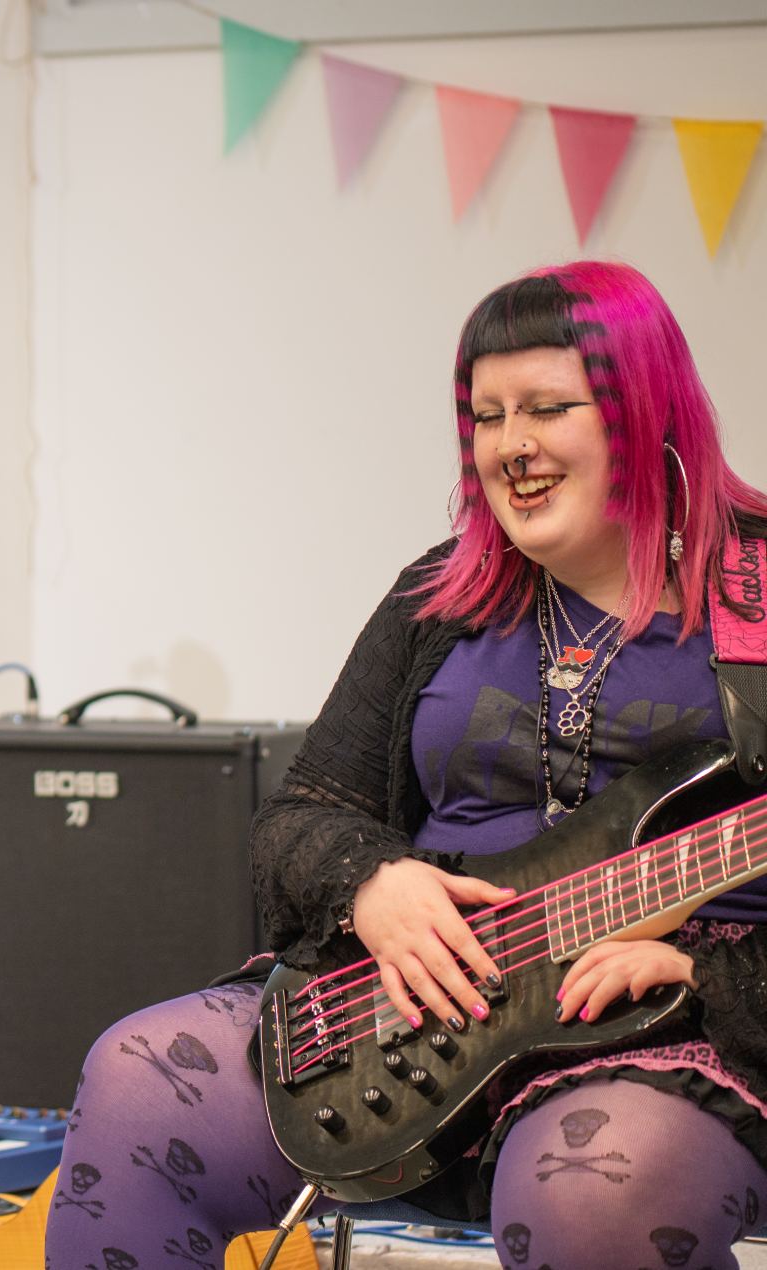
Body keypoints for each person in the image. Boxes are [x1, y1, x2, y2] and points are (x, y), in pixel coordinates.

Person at [46, 261, 767, 1270]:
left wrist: (705, 974)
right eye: (484, 416)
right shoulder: (438, 594)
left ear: (643, 414)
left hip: (678, 1036)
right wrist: (371, 883)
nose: (509, 447)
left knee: (589, 1189)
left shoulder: (756, 585)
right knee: (132, 1076)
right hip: (415, 1022)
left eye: (546, 408)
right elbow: (300, 817)